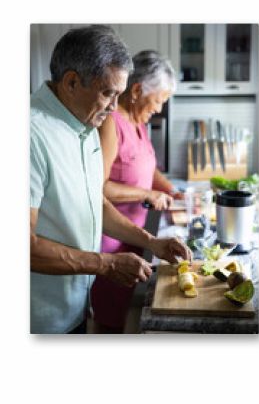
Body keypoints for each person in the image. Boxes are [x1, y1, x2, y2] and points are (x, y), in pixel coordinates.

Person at [30, 25, 191, 334]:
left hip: (74, 307)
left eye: (118, 95)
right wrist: (106, 264)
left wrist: (151, 242)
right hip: (38, 321)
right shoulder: (31, 133)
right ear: (72, 82)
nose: (115, 107)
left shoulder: (85, 125)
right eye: (108, 93)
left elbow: (95, 203)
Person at [91, 50, 184, 333]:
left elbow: (145, 167)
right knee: (109, 319)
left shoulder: (139, 123)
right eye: (159, 101)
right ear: (136, 90)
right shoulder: (111, 122)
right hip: (111, 239)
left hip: (134, 235)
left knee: (123, 312)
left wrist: (170, 190)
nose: (159, 109)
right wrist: (147, 195)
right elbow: (99, 187)